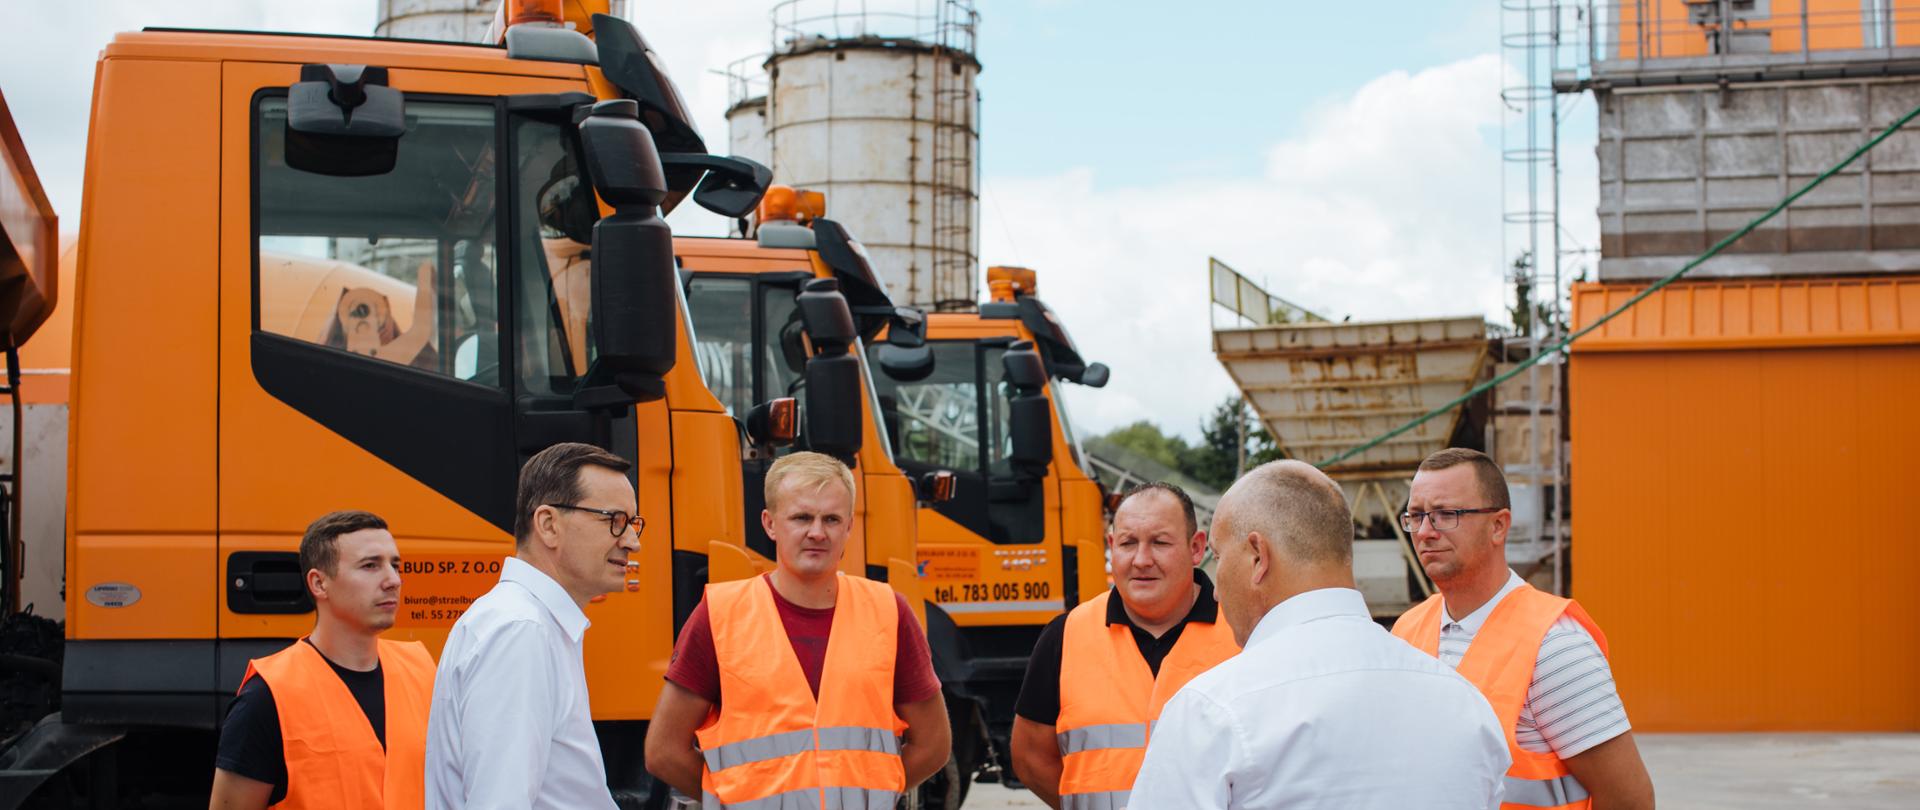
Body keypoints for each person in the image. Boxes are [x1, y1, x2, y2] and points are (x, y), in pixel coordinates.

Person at [1132, 460, 1510, 809]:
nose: (1214, 590)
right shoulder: (1467, 706)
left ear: (1258, 557)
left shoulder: (1211, 711)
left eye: (1219, 556)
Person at [645, 451, 950, 808]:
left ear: (850, 526)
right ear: (770, 523)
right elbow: (663, 751)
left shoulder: (888, 611)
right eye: (802, 517)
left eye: (832, 519)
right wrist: (729, 800)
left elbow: (933, 745)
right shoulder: (721, 614)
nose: (817, 532)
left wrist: (877, 796)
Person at [1393, 448, 1655, 809]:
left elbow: (1630, 800)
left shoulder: (1556, 645)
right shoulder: (1406, 631)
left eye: (1445, 515)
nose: (1425, 532)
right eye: (1417, 516)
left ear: (1498, 525)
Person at [424, 442, 642, 810]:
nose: (633, 542)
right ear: (547, 525)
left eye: (634, 523)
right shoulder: (521, 631)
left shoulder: (527, 624)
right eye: (613, 521)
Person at [1009, 482, 1239, 809]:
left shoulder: (1244, 635)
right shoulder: (1066, 636)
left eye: (1160, 542)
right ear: (1111, 546)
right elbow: (1030, 756)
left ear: (1196, 547)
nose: (1142, 560)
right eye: (1128, 543)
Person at [211, 510, 435, 810]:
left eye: (395, 565)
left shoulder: (422, 671)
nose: (393, 580)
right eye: (370, 566)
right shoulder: (268, 696)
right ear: (319, 584)